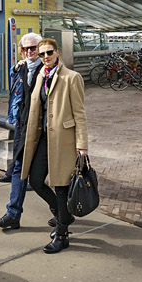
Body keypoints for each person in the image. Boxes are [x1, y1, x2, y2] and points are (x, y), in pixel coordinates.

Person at [20, 38, 88, 253]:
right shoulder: (41, 75)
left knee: (61, 187)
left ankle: (62, 235)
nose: (46, 57)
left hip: (64, 140)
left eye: (49, 52)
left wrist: (82, 144)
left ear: (58, 52)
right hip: (41, 138)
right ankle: (63, 214)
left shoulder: (71, 78)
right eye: (42, 54)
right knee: (36, 180)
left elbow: (80, 114)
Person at [0, 32, 43, 230]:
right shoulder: (21, 69)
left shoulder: (47, 70)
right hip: (23, 125)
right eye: (26, 49)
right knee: (19, 168)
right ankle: (13, 214)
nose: (30, 52)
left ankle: (61, 213)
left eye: (33, 48)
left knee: (40, 178)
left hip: (41, 128)